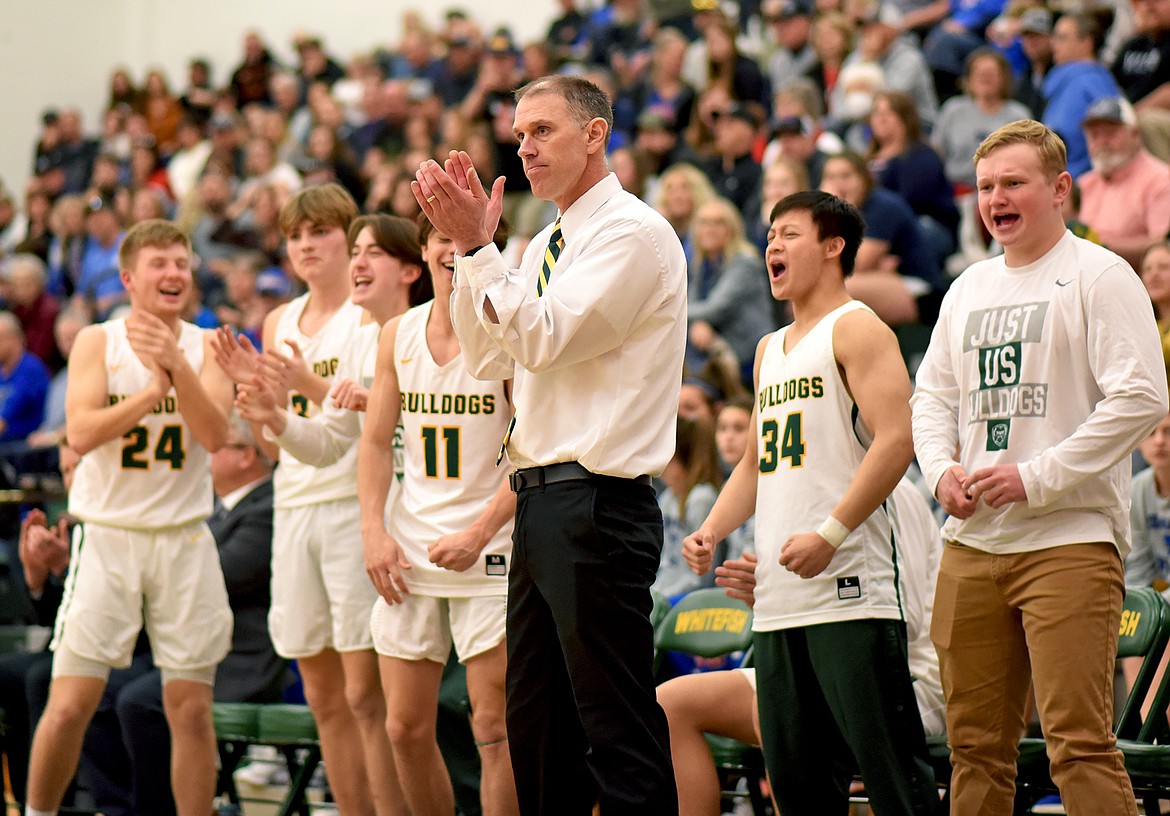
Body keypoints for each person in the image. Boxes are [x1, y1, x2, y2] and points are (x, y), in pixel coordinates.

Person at [413, 74, 686, 815]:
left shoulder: (633, 233)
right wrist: (477, 259)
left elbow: (542, 338)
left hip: (597, 503)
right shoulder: (542, 242)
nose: (524, 147)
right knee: (537, 730)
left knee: (615, 727)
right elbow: (491, 359)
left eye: (542, 131)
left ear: (595, 135)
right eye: (519, 134)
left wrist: (477, 246)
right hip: (538, 504)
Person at [910, 119, 1168, 814]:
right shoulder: (966, 288)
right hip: (968, 546)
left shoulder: (1100, 273)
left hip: (1069, 541)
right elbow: (931, 397)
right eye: (987, 185)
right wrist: (939, 472)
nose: (996, 197)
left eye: (1014, 182)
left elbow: (1143, 395)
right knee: (973, 752)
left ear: (1060, 190)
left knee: (1079, 745)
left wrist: (1037, 475)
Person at [682, 189, 937, 815]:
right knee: (797, 789)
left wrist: (830, 532)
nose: (772, 243)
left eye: (789, 233)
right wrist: (712, 528)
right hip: (778, 601)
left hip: (852, 589)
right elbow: (753, 463)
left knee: (892, 781)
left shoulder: (856, 326)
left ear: (833, 247)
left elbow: (898, 438)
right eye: (769, 233)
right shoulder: (770, 349)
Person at [25, 219, 235, 816]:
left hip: (183, 538)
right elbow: (83, 431)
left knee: (191, 709)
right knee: (69, 704)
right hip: (110, 535)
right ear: (128, 278)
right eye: (159, 263)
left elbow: (217, 435)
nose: (173, 273)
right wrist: (152, 392)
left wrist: (178, 367)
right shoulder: (98, 341)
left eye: (181, 262)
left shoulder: (207, 343)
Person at [212, 185, 406, 816]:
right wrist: (263, 408)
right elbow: (276, 448)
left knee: (363, 695)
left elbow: (366, 422)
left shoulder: (368, 312)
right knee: (322, 695)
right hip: (293, 509)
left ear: (347, 240)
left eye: (319, 232)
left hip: (353, 507)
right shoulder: (277, 321)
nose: (304, 245)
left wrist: (302, 385)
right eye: (295, 235)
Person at [358, 214, 519, 816]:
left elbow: (532, 449)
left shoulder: (508, 333)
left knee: (494, 727)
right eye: (442, 239)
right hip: (410, 549)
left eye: (464, 239)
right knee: (402, 728)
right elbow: (375, 443)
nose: (453, 251)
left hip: (490, 547)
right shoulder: (396, 334)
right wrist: (373, 530)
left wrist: (480, 532)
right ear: (424, 251)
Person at [669, 477, 947, 816]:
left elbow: (904, 618)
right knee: (671, 706)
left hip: (907, 674)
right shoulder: (788, 494)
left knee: (783, 710)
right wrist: (769, 595)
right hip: (811, 660)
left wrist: (798, 592)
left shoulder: (894, 493)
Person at [1077, 96, 1170, 268]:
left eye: (1110, 134)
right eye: (1095, 135)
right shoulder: (1083, 184)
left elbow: (1163, 245)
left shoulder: (1161, 180)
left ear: (1135, 134)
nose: (1101, 142)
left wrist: (1100, 245)